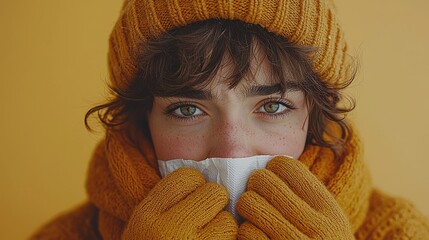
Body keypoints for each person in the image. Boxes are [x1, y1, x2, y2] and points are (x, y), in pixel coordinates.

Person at [32, 0, 429, 239]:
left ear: (314, 114)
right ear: (141, 122)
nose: (232, 149)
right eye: (188, 109)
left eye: (272, 106)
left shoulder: (399, 231)